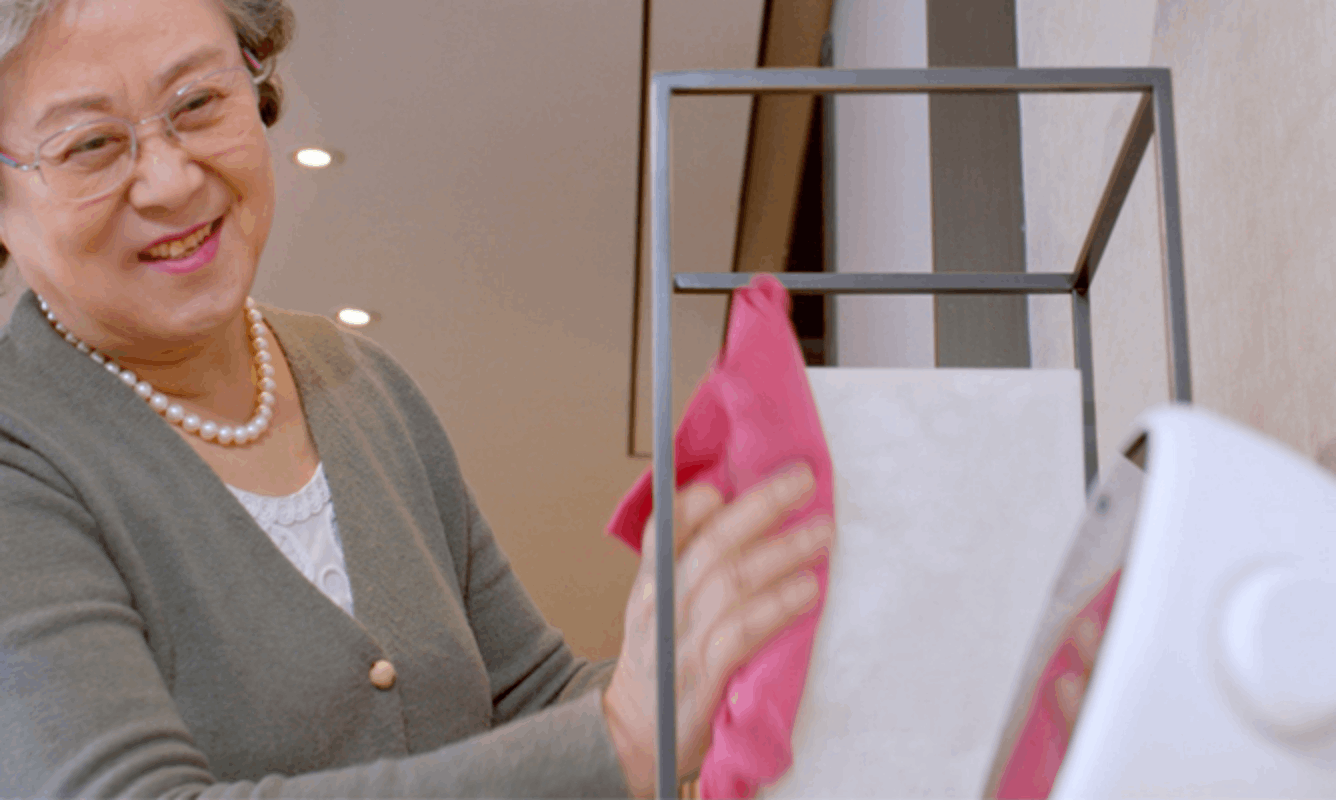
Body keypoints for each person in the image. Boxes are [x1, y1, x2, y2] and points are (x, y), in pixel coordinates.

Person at [0, 0, 835, 797]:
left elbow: (529, 697)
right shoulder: (20, 455)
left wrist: (731, 655)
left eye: (198, 102)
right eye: (90, 145)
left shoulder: (361, 382)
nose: (172, 180)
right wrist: (622, 743)